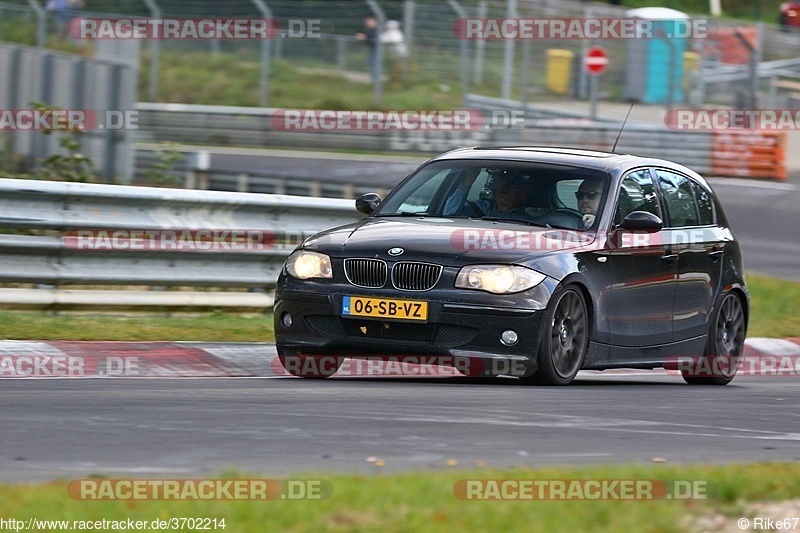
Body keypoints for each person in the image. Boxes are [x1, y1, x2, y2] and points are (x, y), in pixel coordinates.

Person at [445, 168, 535, 221]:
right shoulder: (480, 209)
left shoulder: (534, 222)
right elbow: (450, 216)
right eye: (500, 183)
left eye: (511, 185)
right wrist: (468, 181)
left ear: (523, 191)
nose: (504, 188)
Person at [355, 16, 379, 84]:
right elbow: (360, 33)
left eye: (370, 21)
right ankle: (373, 77)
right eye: (367, 21)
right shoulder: (366, 29)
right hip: (371, 48)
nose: (368, 23)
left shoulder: (377, 29)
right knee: (371, 62)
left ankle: (375, 79)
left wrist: (365, 36)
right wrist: (359, 35)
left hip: (377, 48)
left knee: (375, 63)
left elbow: (372, 35)